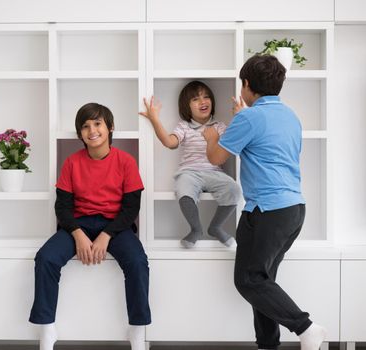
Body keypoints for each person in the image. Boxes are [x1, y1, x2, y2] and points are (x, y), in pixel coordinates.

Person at [202, 54, 327, 350]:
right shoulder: (290, 116)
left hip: (268, 211)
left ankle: (306, 327)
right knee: (263, 279)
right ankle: (268, 345)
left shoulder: (249, 117)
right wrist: (241, 118)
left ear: (246, 84)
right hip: (294, 210)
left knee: (249, 280)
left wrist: (210, 137)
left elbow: (216, 158)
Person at [29, 102, 151, 350]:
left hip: (116, 226)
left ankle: (137, 332)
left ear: (110, 128)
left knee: (138, 262)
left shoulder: (125, 162)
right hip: (78, 224)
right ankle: (47, 330)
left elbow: (131, 208)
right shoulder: (72, 163)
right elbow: (62, 207)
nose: (92, 130)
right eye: (85, 126)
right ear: (79, 133)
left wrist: (106, 235)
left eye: (97, 124)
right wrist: (78, 235)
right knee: (46, 258)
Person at [139, 81, 241, 248]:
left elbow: (231, 143)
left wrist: (239, 116)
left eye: (206, 97)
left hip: (215, 172)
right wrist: (154, 120)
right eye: (196, 99)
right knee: (183, 190)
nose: (203, 101)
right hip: (190, 172)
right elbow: (169, 142)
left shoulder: (219, 126)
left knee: (234, 190)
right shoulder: (184, 127)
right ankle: (196, 229)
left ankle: (216, 227)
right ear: (186, 107)